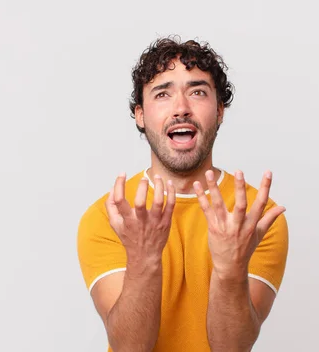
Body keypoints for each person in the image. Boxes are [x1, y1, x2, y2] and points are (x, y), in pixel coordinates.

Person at [77, 36, 289, 352]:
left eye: (197, 92)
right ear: (140, 115)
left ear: (219, 111)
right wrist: (143, 258)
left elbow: (231, 348)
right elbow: (130, 348)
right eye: (162, 94)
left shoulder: (257, 217)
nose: (181, 108)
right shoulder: (108, 216)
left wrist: (230, 270)